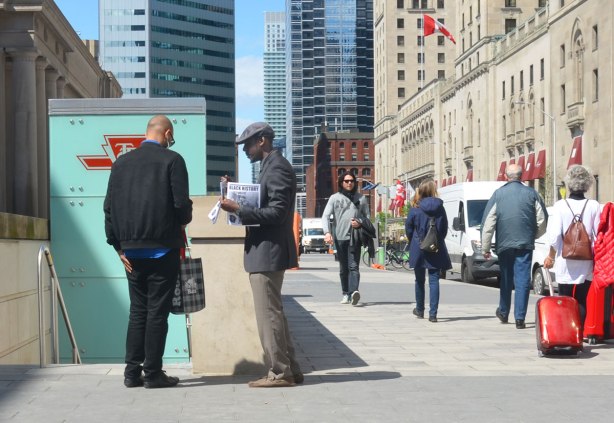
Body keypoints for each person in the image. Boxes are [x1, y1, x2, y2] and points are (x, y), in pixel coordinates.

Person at [104, 115, 193, 388]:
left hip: (131, 252)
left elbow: (109, 208)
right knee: (157, 313)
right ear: (166, 133)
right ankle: (153, 373)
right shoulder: (173, 160)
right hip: (162, 249)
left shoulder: (120, 163)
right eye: (171, 135)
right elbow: (180, 207)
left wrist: (117, 246)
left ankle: (132, 373)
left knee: (138, 312)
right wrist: (186, 215)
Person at [219, 122, 303, 388]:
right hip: (266, 250)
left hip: (268, 251)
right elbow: (265, 203)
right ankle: (291, 370)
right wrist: (234, 194)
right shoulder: (271, 167)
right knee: (273, 312)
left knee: (268, 314)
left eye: (248, 144)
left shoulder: (277, 167)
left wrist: (239, 209)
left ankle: (280, 373)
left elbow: (276, 213)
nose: (245, 150)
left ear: (263, 140)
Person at [481, 163, 548, 329]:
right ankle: (520, 318)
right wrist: (533, 235)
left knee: (506, 277)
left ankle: (503, 312)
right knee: (523, 279)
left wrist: (485, 247)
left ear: (505, 176)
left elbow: (488, 223)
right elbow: (542, 220)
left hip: (504, 243)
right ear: (522, 175)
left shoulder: (498, 194)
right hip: (525, 243)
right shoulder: (532, 194)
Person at [543, 165, 600, 325]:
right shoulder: (594, 205)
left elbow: (554, 236)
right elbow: (598, 235)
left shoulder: (560, 206)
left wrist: (551, 256)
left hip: (564, 260)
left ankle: (566, 333)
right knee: (581, 299)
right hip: (586, 260)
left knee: (565, 298)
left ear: (568, 183)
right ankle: (579, 334)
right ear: (587, 184)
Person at [404, 179, 451, 323]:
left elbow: (409, 230)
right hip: (435, 248)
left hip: (418, 248)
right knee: (434, 280)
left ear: (420, 191)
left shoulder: (415, 209)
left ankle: (419, 309)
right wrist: (436, 241)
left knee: (419, 280)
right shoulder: (440, 208)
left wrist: (415, 241)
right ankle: (433, 314)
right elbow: (444, 229)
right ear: (433, 191)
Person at [322, 171, 370, 306]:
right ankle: (345, 293)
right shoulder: (334, 198)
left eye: (352, 181)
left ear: (355, 183)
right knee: (344, 268)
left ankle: (354, 291)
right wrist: (327, 232)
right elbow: (325, 216)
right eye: (346, 181)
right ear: (341, 183)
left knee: (353, 266)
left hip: (355, 238)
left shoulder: (361, 198)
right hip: (339, 238)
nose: (349, 183)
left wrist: (360, 222)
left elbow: (367, 217)